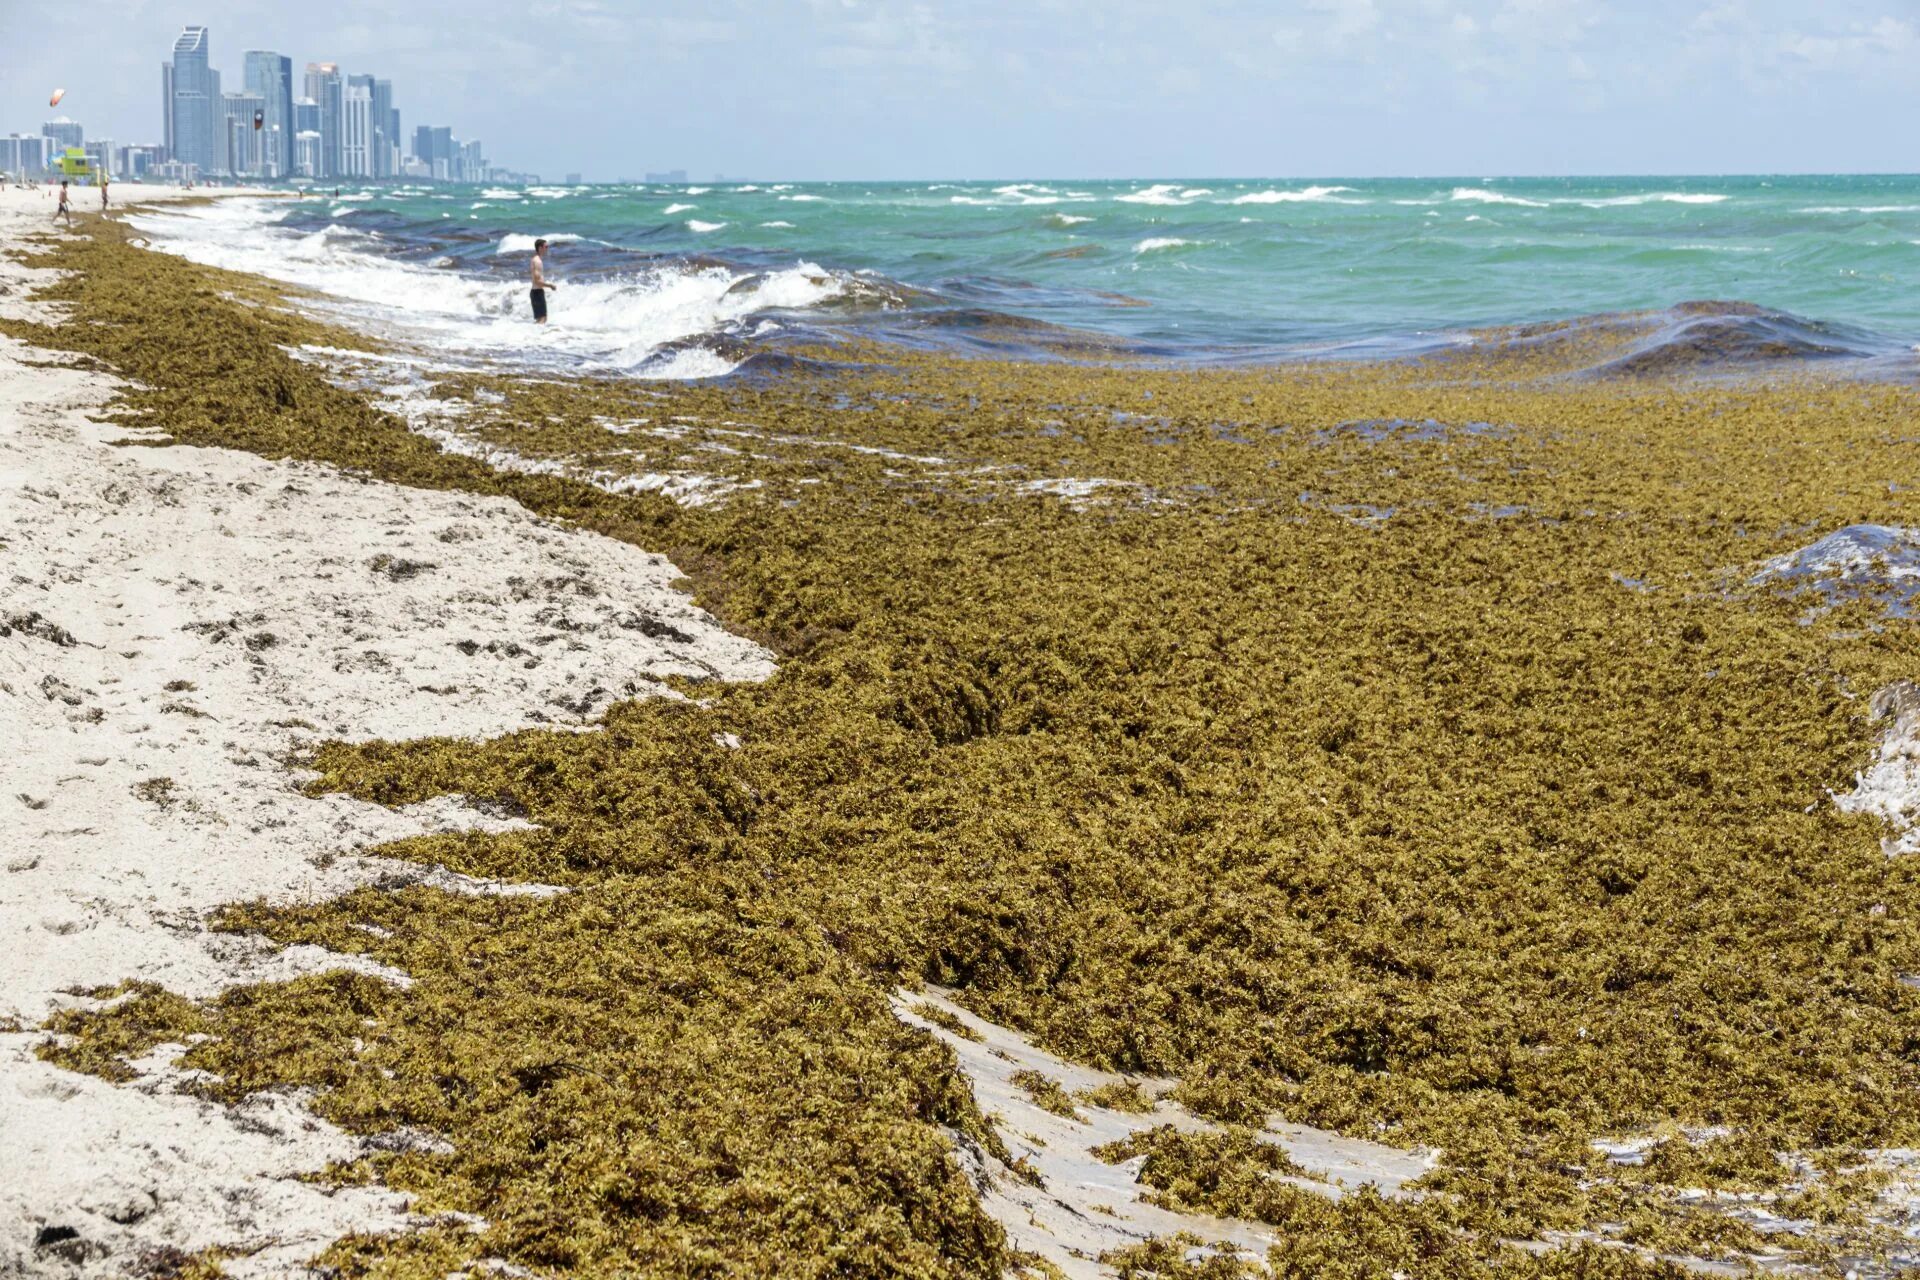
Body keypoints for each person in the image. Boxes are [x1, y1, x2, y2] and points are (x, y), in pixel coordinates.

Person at [530, 238, 559, 324]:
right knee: (543, 319)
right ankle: (535, 336)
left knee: (540, 319)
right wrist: (550, 286)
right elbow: (537, 281)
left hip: (536, 292)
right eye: (546, 247)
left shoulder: (534, 259)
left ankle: (531, 335)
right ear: (540, 248)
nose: (547, 249)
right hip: (537, 292)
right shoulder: (537, 261)